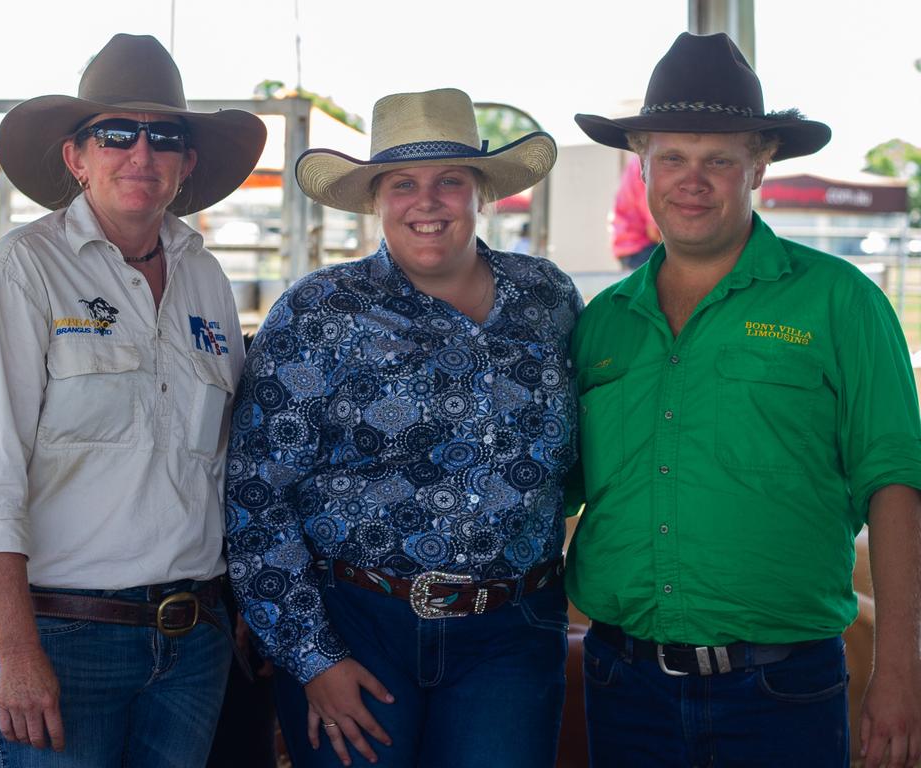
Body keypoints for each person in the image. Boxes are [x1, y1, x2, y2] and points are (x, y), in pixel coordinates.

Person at [568, 31, 921, 768]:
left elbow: (896, 484)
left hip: (781, 689)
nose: (691, 180)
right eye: (672, 157)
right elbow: (551, 490)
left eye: (719, 160)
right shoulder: (599, 322)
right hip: (621, 680)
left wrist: (900, 670)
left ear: (759, 165)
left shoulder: (841, 302)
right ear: (642, 166)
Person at [225, 87, 581, 768]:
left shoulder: (549, 298)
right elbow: (255, 492)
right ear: (376, 200)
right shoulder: (319, 311)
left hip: (512, 626)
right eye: (402, 183)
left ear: (481, 192)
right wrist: (311, 655)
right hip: (359, 624)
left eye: (450, 180)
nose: (428, 201)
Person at [0, 33, 266, 766]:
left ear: (186, 164)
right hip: (60, 632)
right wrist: (18, 654)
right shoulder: (23, 269)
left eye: (164, 136)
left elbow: (227, 461)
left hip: (194, 638)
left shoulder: (207, 279)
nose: (140, 154)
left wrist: (241, 607)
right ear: (76, 157)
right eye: (115, 134)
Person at [611, 153, 660, 270]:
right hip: (637, 248)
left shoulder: (639, 161)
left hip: (626, 246)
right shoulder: (647, 166)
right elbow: (654, 231)